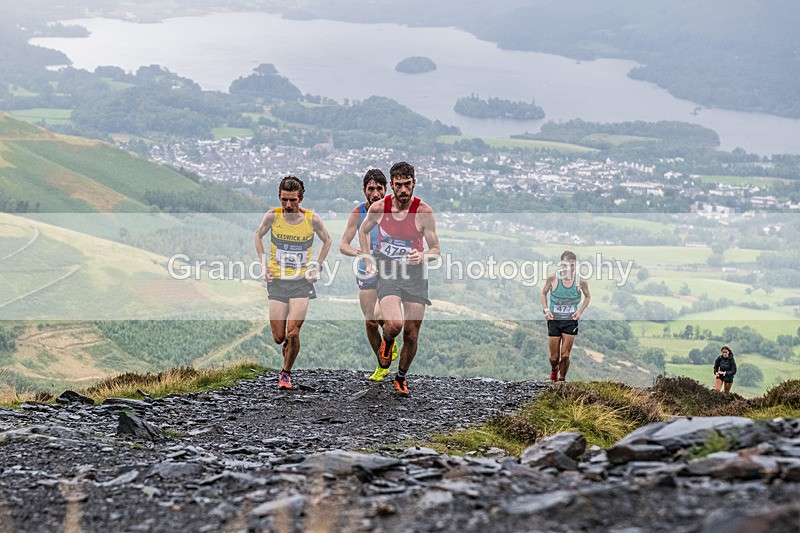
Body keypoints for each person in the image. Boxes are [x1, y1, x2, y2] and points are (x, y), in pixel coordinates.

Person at [358, 162, 440, 396]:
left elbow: (436, 250)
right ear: (392, 186)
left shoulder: (423, 212)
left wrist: (422, 255)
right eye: (399, 185)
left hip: (415, 273)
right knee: (394, 324)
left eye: (407, 184)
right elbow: (363, 231)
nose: (403, 190)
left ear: (414, 183)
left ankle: (401, 377)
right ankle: (387, 341)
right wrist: (367, 261)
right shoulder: (379, 208)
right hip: (389, 269)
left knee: (412, 333)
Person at [254, 176, 331, 390]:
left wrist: (317, 266)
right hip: (278, 281)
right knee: (279, 337)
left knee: (294, 331)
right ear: (279, 197)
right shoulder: (273, 216)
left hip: (301, 282)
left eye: (293, 200)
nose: (288, 205)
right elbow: (257, 236)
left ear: (301, 199)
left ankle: (285, 373)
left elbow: (327, 240)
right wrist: (263, 265)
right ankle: (287, 345)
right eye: (284, 200)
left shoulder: (312, 220)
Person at [339, 169, 398, 381]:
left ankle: (389, 339)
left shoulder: (394, 210)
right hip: (366, 269)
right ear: (364, 190)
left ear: (386, 189)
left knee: (384, 316)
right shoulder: (358, 212)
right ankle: (382, 363)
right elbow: (343, 245)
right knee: (370, 321)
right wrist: (360, 254)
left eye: (379, 189)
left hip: (390, 269)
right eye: (370, 189)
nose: (375, 193)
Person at [541, 251, 591, 382]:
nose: (569, 268)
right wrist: (546, 310)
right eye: (566, 265)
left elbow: (588, 297)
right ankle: (554, 370)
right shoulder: (552, 278)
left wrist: (579, 312)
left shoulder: (581, 281)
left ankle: (562, 381)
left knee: (565, 355)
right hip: (554, 320)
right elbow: (543, 293)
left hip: (570, 320)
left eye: (572, 265)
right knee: (554, 358)